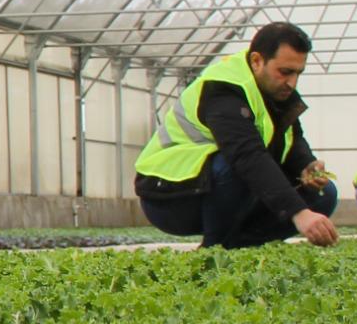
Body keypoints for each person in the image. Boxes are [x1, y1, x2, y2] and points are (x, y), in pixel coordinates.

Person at [134, 22, 340, 250]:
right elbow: (247, 155)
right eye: (285, 72)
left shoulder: (276, 89)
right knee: (237, 166)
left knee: (323, 194)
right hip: (171, 196)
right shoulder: (223, 88)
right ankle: (215, 252)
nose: (292, 82)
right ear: (257, 61)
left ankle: (240, 248)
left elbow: (292, 137)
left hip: (220, 188)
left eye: (298, 73)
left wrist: (306, 165)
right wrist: (299, 213)